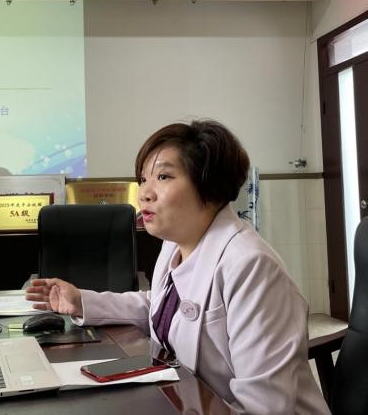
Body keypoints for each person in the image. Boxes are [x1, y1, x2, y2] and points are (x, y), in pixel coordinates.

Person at [26, 120, 330, 414]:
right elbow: (160, 307)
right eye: (143, 179)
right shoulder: (175, 245)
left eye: (163, 177)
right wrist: (82, 301)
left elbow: (264, 407)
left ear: (209, 185)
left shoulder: (251, 267)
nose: (144, 192)